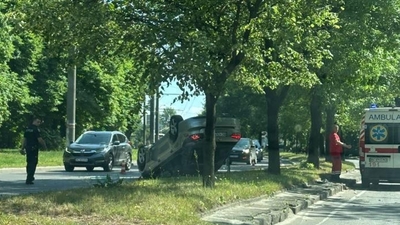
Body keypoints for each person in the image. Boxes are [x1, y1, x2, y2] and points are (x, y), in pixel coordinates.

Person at [20, 116, 47, 185]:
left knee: (29, 162)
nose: (38, 123)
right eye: (37, 122)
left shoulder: (27, 129)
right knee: (33, 163)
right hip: (34, 148)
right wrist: (44, 146)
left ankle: (30, 176)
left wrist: (22, 148)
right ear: (34, 121)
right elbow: (39, 139)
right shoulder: (36, 130)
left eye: (39, 122)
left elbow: (25, 139)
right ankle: (29, 178)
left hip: (28, 148)